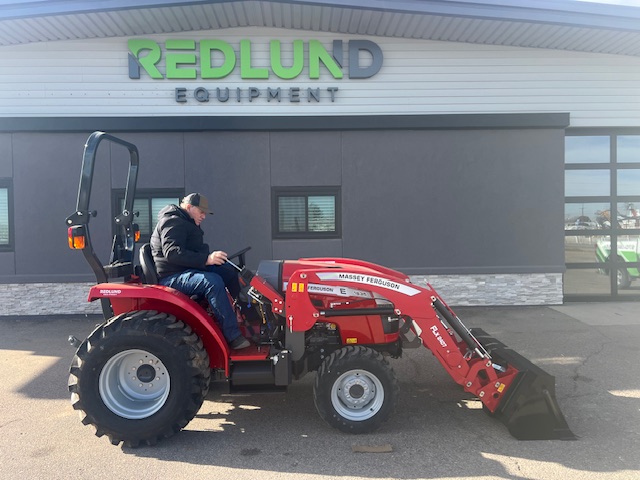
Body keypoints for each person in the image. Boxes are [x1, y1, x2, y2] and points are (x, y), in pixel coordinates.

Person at [150, 193, 250, 350]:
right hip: (172, 276)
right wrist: (207, 259)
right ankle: (232, 336)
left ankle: (249, 316)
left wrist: (211, 259)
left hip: (186, 269)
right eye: (201, 212)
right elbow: (173, 253)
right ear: (189, 207)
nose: (204, 216)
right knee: (213, 282)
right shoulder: (172, 221)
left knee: (229, 272)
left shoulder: (187, 221)